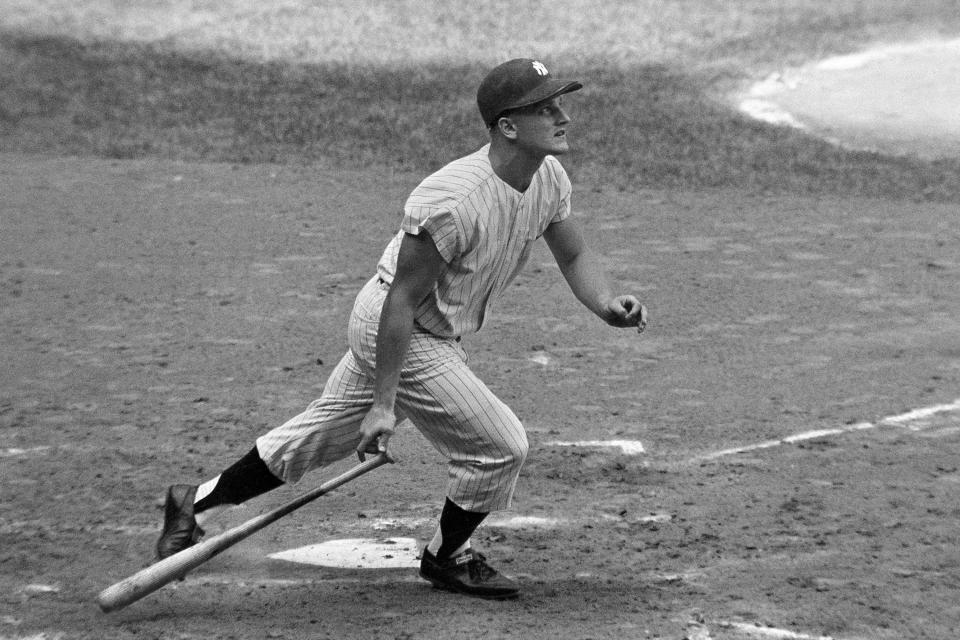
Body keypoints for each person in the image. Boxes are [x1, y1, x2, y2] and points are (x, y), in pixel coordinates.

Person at [156, 58, 647, 600]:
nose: (564, 115)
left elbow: (573, 253)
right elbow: (402, 300)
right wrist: (385, 404)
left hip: (425, 328)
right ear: (508, 126)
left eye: (560, 102)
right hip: (402, 327)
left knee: (322, 435)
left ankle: (192, 503)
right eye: (547, 107)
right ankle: (447, 557)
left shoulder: (547, 177)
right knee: (501, 446)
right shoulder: (453, 200)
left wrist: (606, 304)